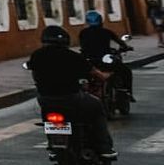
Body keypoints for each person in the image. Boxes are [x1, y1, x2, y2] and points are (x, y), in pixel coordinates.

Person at [25, 24, 114, 157]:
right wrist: (105, 76)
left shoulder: (36, 55)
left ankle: (52, 145)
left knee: (48, 116)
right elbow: (95, 73)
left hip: (46, 98)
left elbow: (35, 75)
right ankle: (104, 147)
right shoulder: (72, 56)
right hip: (71, 97)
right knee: (97, 107)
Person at [77, 10, 133, 106]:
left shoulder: (83, 33)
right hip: (105, 59)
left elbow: (83, 46)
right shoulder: (107, 32)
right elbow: (120, 42)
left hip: (89, 60)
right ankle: (128, 92)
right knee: (126, 71)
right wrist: (126, 47)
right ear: (101, 21)